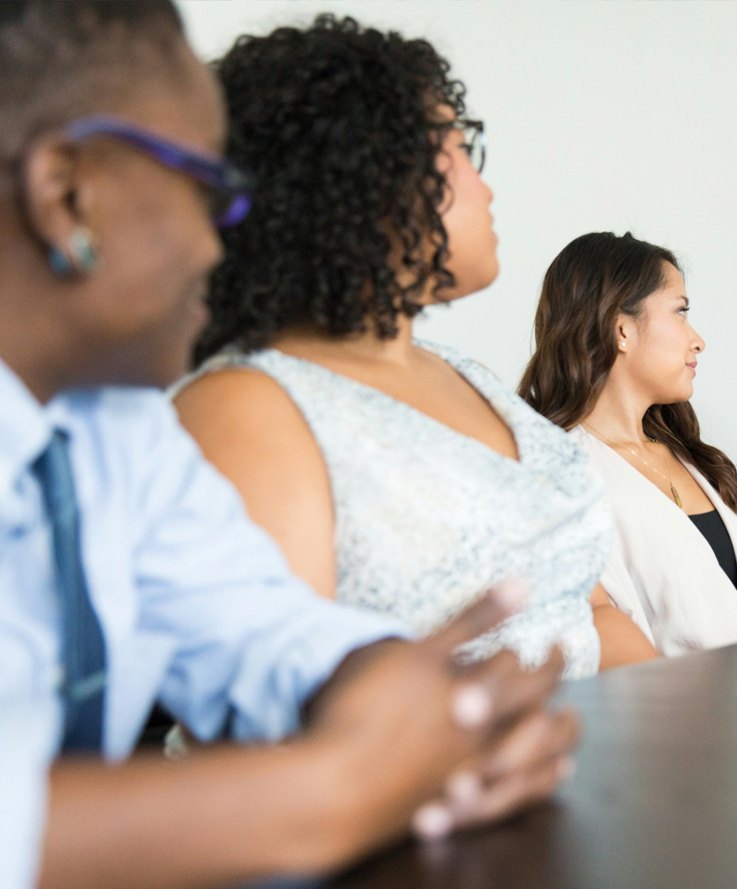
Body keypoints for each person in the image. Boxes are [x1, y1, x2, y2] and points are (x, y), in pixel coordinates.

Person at [0, 3, 577, 886]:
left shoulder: (116, 427)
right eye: (208, 188)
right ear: (66, 194)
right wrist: (340, 785)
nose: (224, 234)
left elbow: (266, 630)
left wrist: (409, 699)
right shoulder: (227, 403)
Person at [172, 17, 656, 673]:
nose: (485, 186)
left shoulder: (468, 376)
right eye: (459, 146)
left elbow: (588, 611)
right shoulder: (246, 405)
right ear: (364, 169)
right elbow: (280, 725)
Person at [518, 232, 737, 654]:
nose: (697, 340)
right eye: (680, 311)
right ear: (621, 329)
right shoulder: (561, 476)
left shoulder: (695, 459)